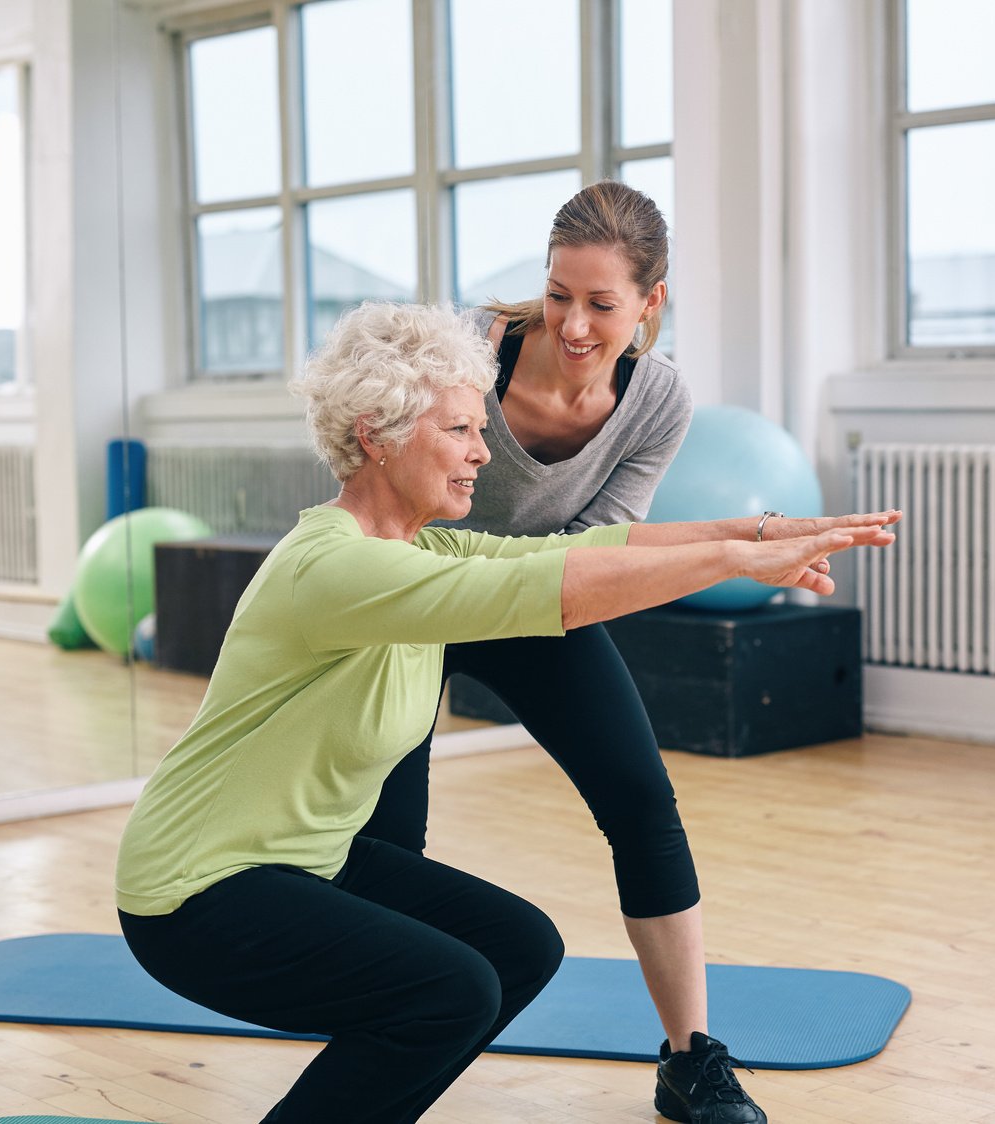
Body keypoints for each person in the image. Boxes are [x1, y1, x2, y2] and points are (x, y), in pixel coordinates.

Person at [114, 300, 897, 1124]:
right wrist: (735, 561)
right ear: (376, 433)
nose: (484, 453)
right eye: (459, 431)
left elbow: (580, 551)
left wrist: (762, 529)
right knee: (448, 990)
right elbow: (544, 590)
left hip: (304, 858)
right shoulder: (333, 568)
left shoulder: (421, 545)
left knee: (518, 949)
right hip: (196, 891)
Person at [359, 179, 854, 1123]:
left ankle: (689, 1060)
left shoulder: (656, 399)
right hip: (418, 596)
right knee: (390, 838)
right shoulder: (466, 353)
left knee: (641, 802)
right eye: (557, 295)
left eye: (601, 303)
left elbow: (600, 548)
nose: (574, 324)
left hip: (541, 601)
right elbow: (378, 480)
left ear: (649, 303)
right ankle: (386, 1032)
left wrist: (742, 544)